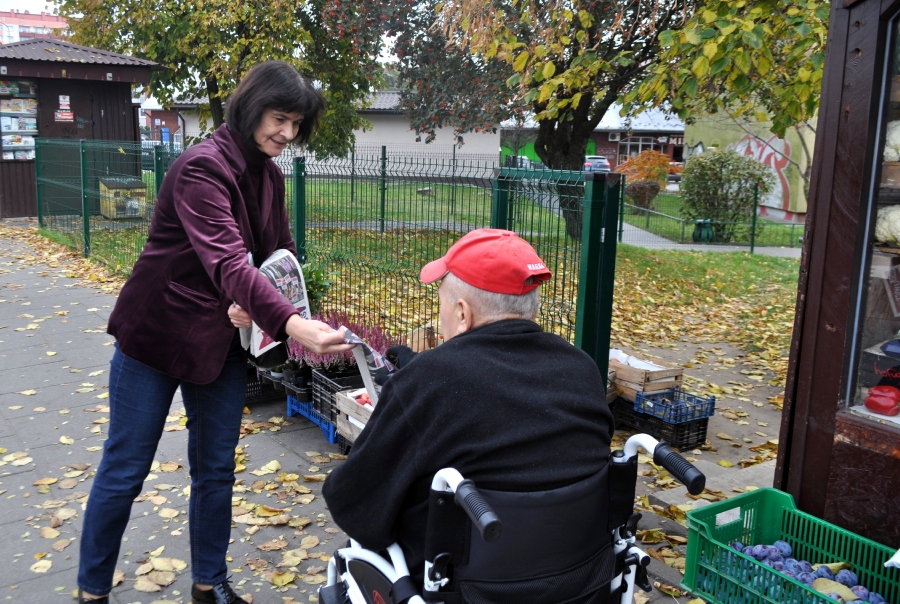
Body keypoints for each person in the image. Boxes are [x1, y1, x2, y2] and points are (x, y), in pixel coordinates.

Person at [77, 61, 352, 604]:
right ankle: (92, 590)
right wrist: (292, 324)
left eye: (297, 123)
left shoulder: (269, 176)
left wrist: (273, 300)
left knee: (216, 470)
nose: (288, 133)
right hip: (156, 338)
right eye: (280, 118)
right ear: (251, 108)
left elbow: (278, 254)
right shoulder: (201, 167)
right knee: (126, 468)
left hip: (220, 348)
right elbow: (227, 262)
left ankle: (210, 584)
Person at [322, 228, 615, 592]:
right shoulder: (582, 369)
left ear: (462, 313)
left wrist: (413, 384)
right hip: (579, 581)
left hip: (461, 589)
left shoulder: (428, 383)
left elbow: (353, 505)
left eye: (442, 306)